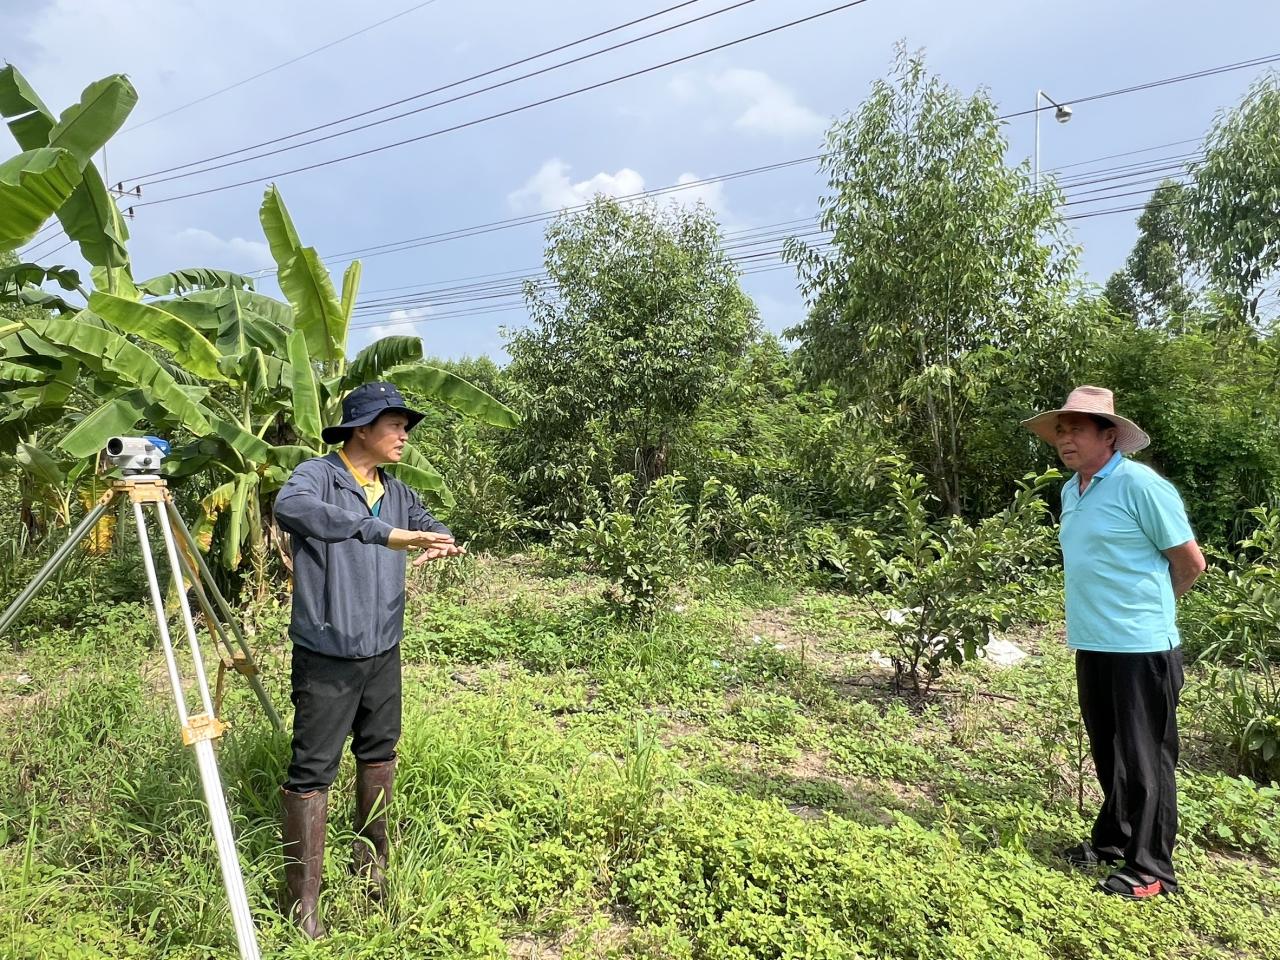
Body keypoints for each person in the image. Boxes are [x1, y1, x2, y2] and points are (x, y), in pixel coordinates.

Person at [273, 381, 464, 938]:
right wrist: (378, 532)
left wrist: (439, 538)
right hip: (328, 652)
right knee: (312, 770)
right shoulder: (316, 477)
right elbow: (291, 509)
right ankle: (302, 903)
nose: (404, 434)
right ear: (363, 427)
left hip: (384, 648)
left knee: (379, 752)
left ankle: (371, 866)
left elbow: (428, 522)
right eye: (395, 424)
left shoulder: (397, 490)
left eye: (405, 426)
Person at [1023, 386, 1205, 899]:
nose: (1065, 438)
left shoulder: (1140, 486)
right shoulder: (1071, 490)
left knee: (1146, 758)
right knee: (1110, 752)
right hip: (1094, 642)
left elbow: (1190, 563)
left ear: (1109, 436)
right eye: (1061, 429)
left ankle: (1151, 870)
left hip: (1141, 647)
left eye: (1076, 428)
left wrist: (1151, 611)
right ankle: (1113, 842)